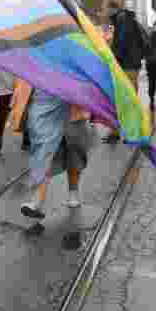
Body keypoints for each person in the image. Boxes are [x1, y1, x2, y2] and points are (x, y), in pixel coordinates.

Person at [17, 83, 92, 219]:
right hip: (44, 107)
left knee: (74, 151)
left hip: (72, 106)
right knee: (43, 154)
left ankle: (73, 191)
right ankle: (36, 201)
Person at [102, 0, 147, 142]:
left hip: (128, 65)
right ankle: (117, 132)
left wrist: (112, 59)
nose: (104, 12)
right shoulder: (122, 19)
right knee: (122, 99)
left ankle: (130, 133)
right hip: (129, 64)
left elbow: (122, 44)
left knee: (126, 100)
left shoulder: (123, 19)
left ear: (110, 8)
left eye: (105, 9)